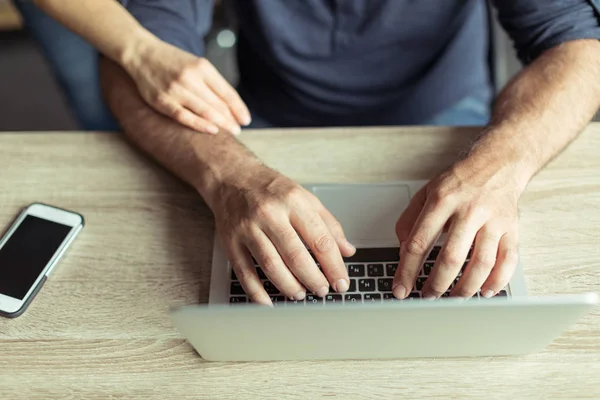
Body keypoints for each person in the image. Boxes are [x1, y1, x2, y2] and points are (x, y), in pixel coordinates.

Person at [37, 0, 600, 305]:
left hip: (450, 126)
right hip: (263, 135)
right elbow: (134, 64)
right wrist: (230, 178)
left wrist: (501, 166)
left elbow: (578, 45)